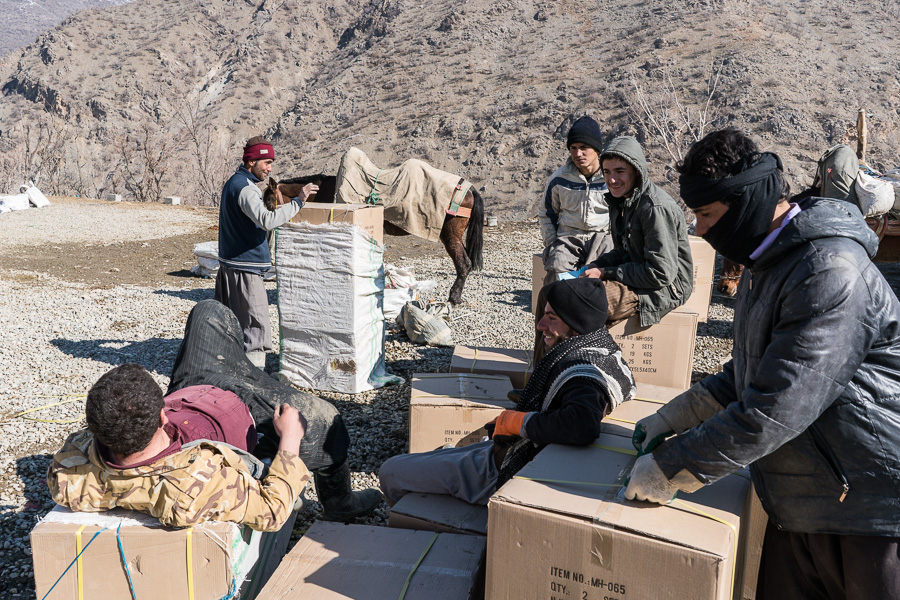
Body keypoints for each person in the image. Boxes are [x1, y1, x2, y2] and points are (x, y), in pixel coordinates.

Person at [624, 128, 900, 599]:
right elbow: (750, 370)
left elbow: (778, 405)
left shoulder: (828, 270)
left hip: (866, 504)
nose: (701, 230)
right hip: (803, 497)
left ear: (747, 204)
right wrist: (673, 416)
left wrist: (672, 465)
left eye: (707, 215)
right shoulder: (767, 264)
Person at [47, 300, 382, 528]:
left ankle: (247, 370)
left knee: (208, 311)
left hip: (191, 391)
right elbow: (271, 511)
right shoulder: (191, 487)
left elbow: (70, 468)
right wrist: (290, 441)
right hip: (246, 419)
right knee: (325, 420)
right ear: (162, 417)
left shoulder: (71, 469)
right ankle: (340, 502)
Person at [379, 278, 635, 506]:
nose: (540, 325)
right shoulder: (603, 350)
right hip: (519, 451)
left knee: (391, 470)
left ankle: (430, 522)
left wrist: (517, 422)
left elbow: (582, 425)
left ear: (577, 325)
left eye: (552, 318)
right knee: (439, 458)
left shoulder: (582, 374)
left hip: (507, 466)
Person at [216, 136, 318, 368]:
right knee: (256, 325)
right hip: (245, 267)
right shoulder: (245, 189)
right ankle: (255, 375)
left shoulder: (234, 183)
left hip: (231, 263)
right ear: (251, 161)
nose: (270, 168)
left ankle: (234, 367)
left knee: (236, 323)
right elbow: (267, 220)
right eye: (267, 162)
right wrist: (298, 202)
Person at [538, 115, 613, 281]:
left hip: (603, 238)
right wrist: (551, 243)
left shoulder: (611, 178)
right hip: (568, 238)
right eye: (573, 148)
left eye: (584, 147)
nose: (578, 154)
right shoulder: (559, 178)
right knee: (556, 270)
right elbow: (546, 213)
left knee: (608, 277)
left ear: (597, 149)